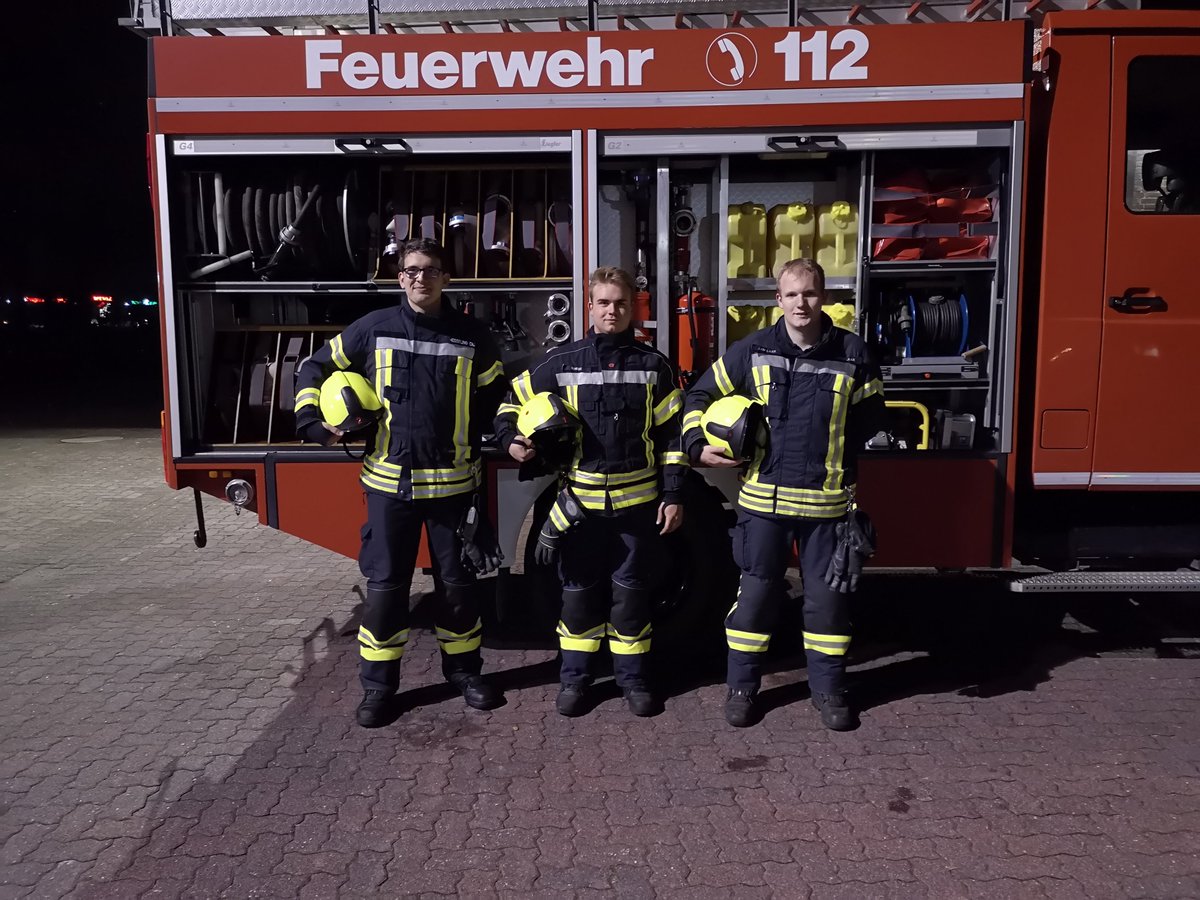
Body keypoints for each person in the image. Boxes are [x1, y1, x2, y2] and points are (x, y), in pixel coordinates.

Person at [294, 238, 508, 728]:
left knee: (458, 590)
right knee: (387, 592)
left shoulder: (473, 336)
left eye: (431, 270)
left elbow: (497, 399)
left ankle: (465, 674)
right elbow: (314, 366)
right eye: (411, 270)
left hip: (454, 491)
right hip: (390, 491)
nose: (420, 278)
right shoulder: (373, 329)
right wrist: (311, 422)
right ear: (399, 278)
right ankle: (378, 688)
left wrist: (513, 436)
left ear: (446, 278)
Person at [683, 258, 885, 731]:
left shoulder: (853, 353)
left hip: (827, 508)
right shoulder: (752, 350)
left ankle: (829, 690)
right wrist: (697, 446)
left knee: (827, 605)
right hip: (763, 508)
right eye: (792, 294)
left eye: (810, 294)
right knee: (754, 601)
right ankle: (741, 688)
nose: (802, 303)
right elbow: (698, 396)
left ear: (825, 298)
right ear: (778, 300)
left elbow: (872, 423)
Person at [494, 266, 687, 717]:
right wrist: (511, 441)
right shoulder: (560, 364)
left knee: (631, 598)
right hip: (579, 510)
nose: (612, 310)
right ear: (590, 308)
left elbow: (674, 437)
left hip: (638, 511)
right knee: (577, 596)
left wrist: (674, 494)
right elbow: (508, 405)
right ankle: (576, 680)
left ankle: (634, 682)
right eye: (603, 302)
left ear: (633, 308)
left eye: (620, 303)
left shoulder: (654, 366)